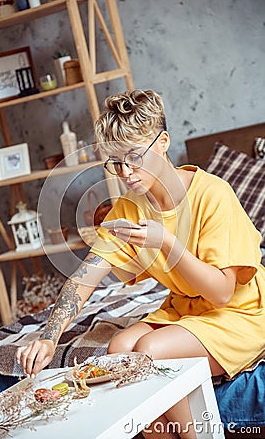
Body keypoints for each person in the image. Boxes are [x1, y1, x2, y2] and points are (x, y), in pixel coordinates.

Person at [17, 89, 265, 438]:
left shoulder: (213, 193)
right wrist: (48, 336)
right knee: (119, 351)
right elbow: (85, 277)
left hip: (239, 312)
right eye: (114, 161)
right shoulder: (128, 207)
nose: (125, 172)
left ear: (162, 142)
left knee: (151, 351)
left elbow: (223, 293)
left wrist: (166, 241)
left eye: (133, 156)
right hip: (185, 311)